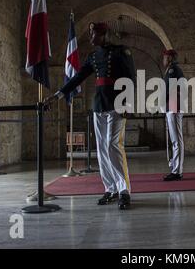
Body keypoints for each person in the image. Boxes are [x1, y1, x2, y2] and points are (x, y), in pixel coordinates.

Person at [44, 22, 136, 210]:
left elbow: (131, 78)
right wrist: (58, 95)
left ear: (104, 34)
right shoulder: (93, 56)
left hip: (117, 103)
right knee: (102, 148)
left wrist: (129, 103)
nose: (91, 37)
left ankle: (124, 190)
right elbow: (78, 77)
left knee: (113, 145)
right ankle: (110, 189)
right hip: (99, 104)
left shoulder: (121, 52)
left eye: (94, 34)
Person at [162, 49, 185, 181]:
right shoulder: (172, 69)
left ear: (169, 58)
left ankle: (177, 171)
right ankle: (175, 168)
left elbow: (169, 89)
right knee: (175, 140)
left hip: (174, 105)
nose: (163, 60)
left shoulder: (173, 70)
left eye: (165, 57)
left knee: (176, 140)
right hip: (171, 105)